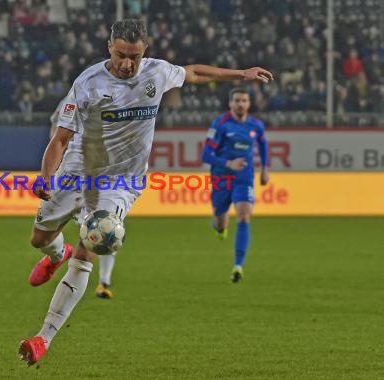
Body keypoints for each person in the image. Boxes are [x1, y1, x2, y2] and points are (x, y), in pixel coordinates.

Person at [19, 19, 273, 365]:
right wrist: (46, 178)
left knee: (94, 241)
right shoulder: (88, 83)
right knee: (39, 238)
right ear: (110, 47)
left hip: (121, 181)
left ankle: (42, 338)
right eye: (122, 55)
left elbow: (194, 72)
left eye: (135, 57)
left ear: (145, 51)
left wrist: (241, 74)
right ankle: (54, 255)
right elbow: (60, 140)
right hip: (78, 172)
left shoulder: (156, 73)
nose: (128, 64)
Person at [48, 97, 118, 299]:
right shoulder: (72, 100)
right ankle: (59, 253)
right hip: (73, 173)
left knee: (107, 227)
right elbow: (56, 128)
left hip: (103, 173)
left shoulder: (121, 101)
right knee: (43, 235)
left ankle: (104, 282)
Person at [202, 88, 270, 283]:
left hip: (244, 177)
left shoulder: (256, 125)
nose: (241, 104)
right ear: (230, 104)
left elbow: (263, 145)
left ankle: (238, 265)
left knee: (244, 214)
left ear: (249, 104)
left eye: (244, 101)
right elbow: (205, 155)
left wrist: (265, 168)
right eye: (237, 101)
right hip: (221, 178)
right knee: (221, 221)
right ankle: (219, 227)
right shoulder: (220, 125)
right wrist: (228, 163)